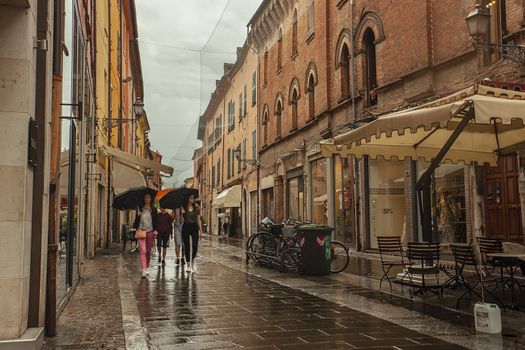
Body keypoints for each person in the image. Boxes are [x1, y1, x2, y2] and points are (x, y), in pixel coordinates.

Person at [133, 193, 158, 278]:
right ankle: (143, 269)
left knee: (148, 251)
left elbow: (156, 221)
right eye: (146, 197)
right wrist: (137, 216)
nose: (147, 199)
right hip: (140, 232)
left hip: (150, 232)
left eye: (148, 197)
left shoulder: (153, 209)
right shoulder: (140, 209)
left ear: (151, 199)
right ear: (144, 199)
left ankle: (146, 266)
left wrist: (155, 230)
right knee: (143, 251)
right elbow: (135, 223)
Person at [181, 194, 202, 273]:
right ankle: (188, 264)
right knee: (187, 246)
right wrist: (182, 214)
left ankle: (193, 259)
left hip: (194, 227)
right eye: (191, 198)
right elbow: (181, 221)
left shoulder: (196, 208)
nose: (193, 199)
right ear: (188, 199)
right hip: (185, 227)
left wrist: (201, 231)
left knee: (195, 246)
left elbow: (199, 220)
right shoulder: (184, 208)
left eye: (193, 198)